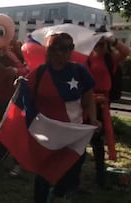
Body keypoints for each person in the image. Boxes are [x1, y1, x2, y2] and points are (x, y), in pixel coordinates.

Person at [26, 33, 100, 203]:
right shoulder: (40, 73)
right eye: (59, 47)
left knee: (71, 169)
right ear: (51, 50)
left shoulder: (79, 70)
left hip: (73, 133)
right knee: (44, 174)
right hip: (48, 135)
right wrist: (19, 84)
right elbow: (24, 94)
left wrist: (94, 119)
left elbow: (89, 98)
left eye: (68, 47)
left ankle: (58, 195)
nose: (64, 52)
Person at [87, 26, 130, 187]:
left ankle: (100, 175)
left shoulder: (110, 58)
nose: (99, 46)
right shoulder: (87, 57)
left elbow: (126, 52)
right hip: (87, 102)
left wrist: (112, 39)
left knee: (98, 140)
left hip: (103, 104)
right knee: (83, 137)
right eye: (97, 42)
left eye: (102, 43)